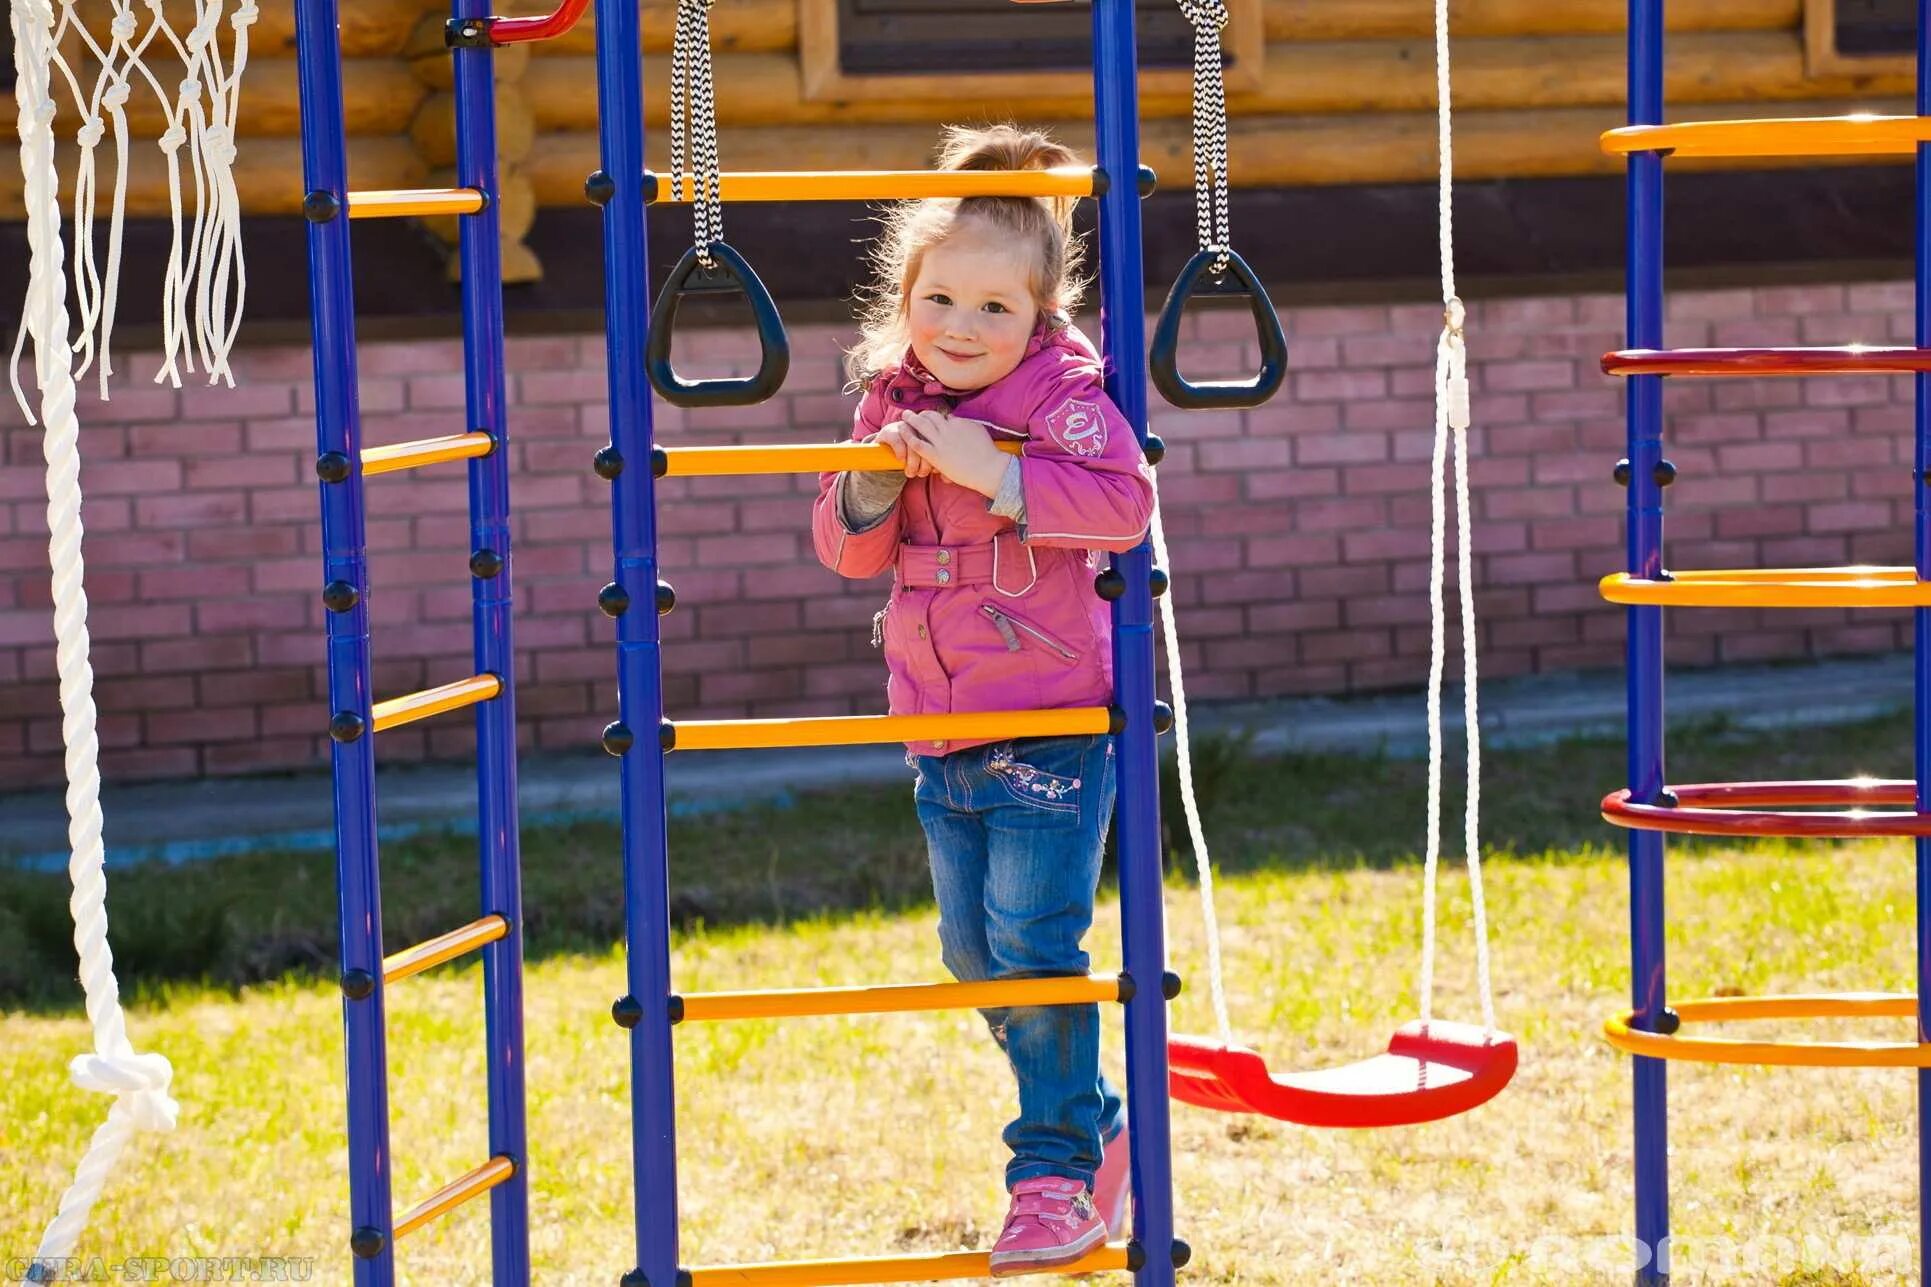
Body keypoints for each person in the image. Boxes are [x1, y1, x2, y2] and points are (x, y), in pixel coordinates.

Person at [810, 122, 1155, 1276]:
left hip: (1050, 725)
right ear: (903, 298)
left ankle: (1052, 1174)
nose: (961, 329)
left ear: (1040, 315)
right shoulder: (887, 405)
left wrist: (989, 469)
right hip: (940, 727)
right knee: (974, 955)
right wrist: (866, 489)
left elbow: (1121, 510)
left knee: (1036, 944)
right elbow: (848, 555)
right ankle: (1103, 1128)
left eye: (994, 310)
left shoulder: (1062, 399)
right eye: (939, 300)